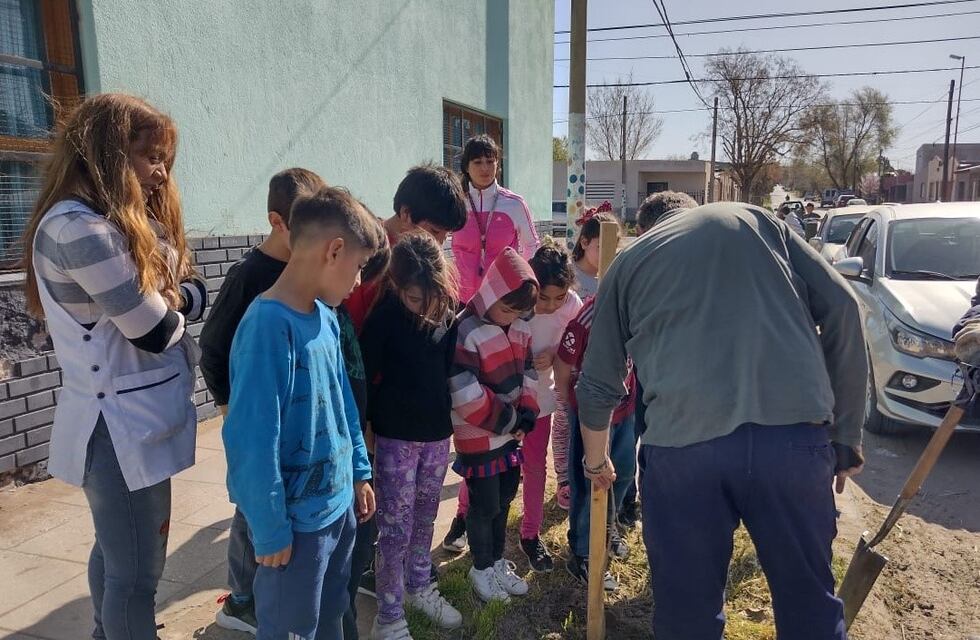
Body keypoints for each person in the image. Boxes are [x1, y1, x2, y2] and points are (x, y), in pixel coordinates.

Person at [576, 202, 867, 639]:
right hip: (792, 445)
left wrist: (597, 463)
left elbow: (597, 383)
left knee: (687, 616)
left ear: (647, 227)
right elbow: (844, 307)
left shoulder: (630, 261)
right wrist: (845, 433)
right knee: (809, 604)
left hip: (683, 453)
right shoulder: (759, 222)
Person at [22, 93, 206, 640]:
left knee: (115, 551)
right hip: (121, 431)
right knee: (136, 578)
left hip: (130, 423)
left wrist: (171, 296)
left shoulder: (101, 223)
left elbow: (172, 298)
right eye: (150, 157)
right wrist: (181, 300)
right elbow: (155, 330)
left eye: (164, 161)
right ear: (106, 151)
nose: (159, 174)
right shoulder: (80, 230)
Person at [222, 186, 379, 640]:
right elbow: (251, 441)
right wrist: (269, 530)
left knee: (331, 617)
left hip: (338, 511)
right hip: (295, 532)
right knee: (293, 630)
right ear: (335, 251)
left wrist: (359, 472)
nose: (357, 282)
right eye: (360, 267)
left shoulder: (326, 315)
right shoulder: (267, 327)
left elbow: (343, 405)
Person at [200, 167, 327, 634]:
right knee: (252, 507)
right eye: (304, 225)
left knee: (277, 505)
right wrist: (231, 408)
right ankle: (240, 600)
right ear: (277, 221)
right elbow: (211, 347)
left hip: (294, 419)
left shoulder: (310, 268)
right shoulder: (248, 275)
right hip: (256, 418)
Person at [360, 234, 462, 639]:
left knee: (426, 517)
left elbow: (451, 368)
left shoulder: (448, 312)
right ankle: (388, 614)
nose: (424, 308)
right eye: (415, 298)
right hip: (395, 438)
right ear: (396, 286)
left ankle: (419, 585)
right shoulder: (384, 317)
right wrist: (364, 433)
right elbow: (364, 376)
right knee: (395, 526)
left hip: (437, 435)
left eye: (431, 298)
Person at [449, 247, 539, 603]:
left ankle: (497, 560)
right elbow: (464, 392)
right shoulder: (466, 329)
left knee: (504, 498)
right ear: (489, 293)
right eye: (506, 308)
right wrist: (511, 419)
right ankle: (480, 566)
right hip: (479, 436)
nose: (510, 317)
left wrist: (528, 412)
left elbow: (530, 372)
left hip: (509, 435)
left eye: (518, 311)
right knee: (483, 503)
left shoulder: (519, 328)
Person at [620, 191, 698, 526]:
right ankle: (630, 504)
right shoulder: (635, 269)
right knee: (634, 439)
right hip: (642, 376)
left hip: (684, 391)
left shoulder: (703, 271)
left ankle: (657, 511)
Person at [554, 295, 636, 592]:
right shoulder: (588, 318)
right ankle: (583, 552)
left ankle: (608, 528)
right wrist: (568, 407)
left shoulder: (637, 309)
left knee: (624, 471)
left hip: (624, 408)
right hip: (590, 415)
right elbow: (562, 366)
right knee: (592, 483)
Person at [519, 241, 583, 570]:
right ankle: (462, 516)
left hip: (541, 402)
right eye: (544, 297)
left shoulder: (571, 305)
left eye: (559, 297)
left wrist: (555, 355)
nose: (551, 305)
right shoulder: (517, 298)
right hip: (505, 401)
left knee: (534, 468)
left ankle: (530, 534)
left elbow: (576, 342)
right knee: (487, 469)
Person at [346, 164, 468, 332]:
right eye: (435, 231)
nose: (439, 243)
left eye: (447, 235)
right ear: (406, 213)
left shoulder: (428, 258)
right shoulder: (367, 253)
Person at [451, 134, 539, 304]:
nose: (485, 168)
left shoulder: (514, 204)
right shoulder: (456, 202)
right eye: (477, 162)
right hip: (460, 298)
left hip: (503, 299)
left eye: (490, 161)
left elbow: (532, 244)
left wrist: (523, 282)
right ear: (466, 167)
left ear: (497, 165)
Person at [570, 209, 617, 299]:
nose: (608, 254)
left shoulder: (614, 278)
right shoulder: (567, 275)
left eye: (614, 248)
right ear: (584, 243)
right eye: (601, 247)